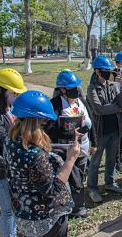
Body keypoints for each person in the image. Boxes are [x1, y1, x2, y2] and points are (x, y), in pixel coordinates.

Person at [4, 90, 80, 237]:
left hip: (24, 212)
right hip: (46, 221)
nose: (47, 123)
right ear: (36, 121)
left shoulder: (10, 140)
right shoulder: (34, 154)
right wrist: (71, 159)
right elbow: (53, 189)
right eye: (45, 120)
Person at [45, 70, 97, 218]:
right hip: (65, 151)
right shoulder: (54, 105)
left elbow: (91, 121)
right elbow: (48, 129)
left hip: (83, 147)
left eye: (76, 87)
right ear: (62, 90)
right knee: (71, 179)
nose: (76, 91)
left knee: (80, 177)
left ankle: (77, 204)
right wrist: (70, 134)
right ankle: (74, 208)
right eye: (71, 88)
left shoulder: (81, 100)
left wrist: (94, 142)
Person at [0, 68, 27, 237]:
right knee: (8, 209)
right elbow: (2, 139)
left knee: (15, 206)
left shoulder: (13, 109)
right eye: (14, 93)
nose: (17, 96)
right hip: (0, 168)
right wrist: (23, 141)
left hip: (14, 165)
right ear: (4, 91)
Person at [87, 55, 122, 203]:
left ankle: (110, 183)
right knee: (95, 161)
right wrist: (115, 107)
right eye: (105, 70)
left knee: (111, 159)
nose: (108, 73)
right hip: (100, 131)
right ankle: (92, 188)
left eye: (109, 70)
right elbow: (98, 109)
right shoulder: (92, 88)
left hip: (115, 129)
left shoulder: (112, 85)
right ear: (97, 72)